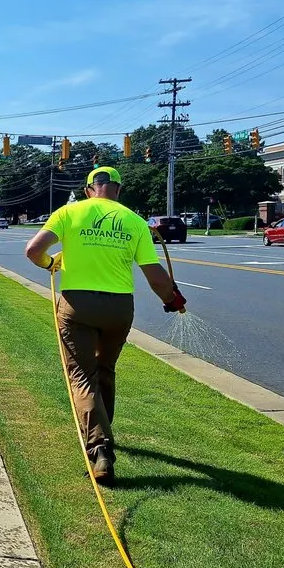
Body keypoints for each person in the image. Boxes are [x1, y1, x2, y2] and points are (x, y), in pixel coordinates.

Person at [24, 167, 187, 485]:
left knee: (83, 376)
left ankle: (100, 449)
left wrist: (49, 263)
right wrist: (174, 300)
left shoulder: (70, 212)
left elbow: (33, 250)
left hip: (77, 306)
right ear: (117, 191)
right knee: (105, 370)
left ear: (89, 190)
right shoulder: (135, 222)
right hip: (118, 309)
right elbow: (155, 276)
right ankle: (104, 434)